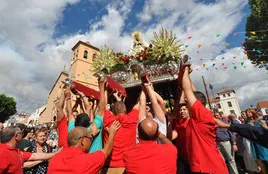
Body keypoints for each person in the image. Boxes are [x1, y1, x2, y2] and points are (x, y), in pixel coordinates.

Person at [181, 66, 228, 173]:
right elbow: (193, 92)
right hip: (203, 167)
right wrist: (188, 76)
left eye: (187, 99)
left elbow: (187, 88)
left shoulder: (202, 115)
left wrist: (185, 70)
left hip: (210, 168)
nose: (185, 100)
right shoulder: (197, 117)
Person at [47, 121, 120, 174]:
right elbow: (106, 151)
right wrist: (112, 133)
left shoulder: (54, 160)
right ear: (82, 140)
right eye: (90, 138)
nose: (91, 141)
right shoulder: (87, 161)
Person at [101, 83, 141, 174]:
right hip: (127, 167)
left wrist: (105, 89)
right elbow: (139, 104)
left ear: (113, 111)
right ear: (125, 110)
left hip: (109, 167)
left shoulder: (108, 120)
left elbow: (103, 106)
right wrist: (145, 89)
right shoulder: (131, 119)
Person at [172, 91, 191, 174]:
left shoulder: (192, 122)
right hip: (182, 158)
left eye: (184, 109)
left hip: (192, 158)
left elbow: (181, 102)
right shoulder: (179, 124)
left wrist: (183, 91)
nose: (182, 111)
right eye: (181, 110)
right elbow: (173, 136)